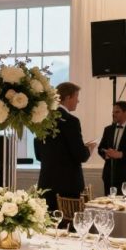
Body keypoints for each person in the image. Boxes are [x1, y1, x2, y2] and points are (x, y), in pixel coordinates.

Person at [34, 82, 96, 211]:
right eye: (76, 97)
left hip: (46, 183)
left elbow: (39, 154)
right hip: (68, 186)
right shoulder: (71, 121)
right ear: (68, 97)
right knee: (70, 226)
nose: (78, 101)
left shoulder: (42, 119)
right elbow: (80, 155)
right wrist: (89, 148)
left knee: (49, 226)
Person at [97, 101, 126, 195]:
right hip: (109, 176)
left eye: (117, 112)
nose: (113, 114)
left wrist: (120, 154)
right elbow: (101, 148)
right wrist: (105, 154)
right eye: (113, 112)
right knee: (108, 206)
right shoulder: (108, 129)